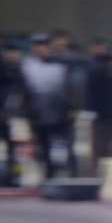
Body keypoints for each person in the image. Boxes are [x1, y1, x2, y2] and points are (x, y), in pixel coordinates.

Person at [21, 32, 78, 179]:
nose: (41, 49)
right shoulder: (27, 65)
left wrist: (72, 109)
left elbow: (73, 88)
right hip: (38, 113)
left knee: (66, 147)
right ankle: (49, 177)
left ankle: (73, 178)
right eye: (37, 46)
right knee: (43, 147)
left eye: (44, 46)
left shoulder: (63, 63)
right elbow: (25, 91)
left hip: (60, 111)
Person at [0, 40, 25, 186]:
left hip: (17, 115)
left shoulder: (21, 70)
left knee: (15, 149)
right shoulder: (3, 70)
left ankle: (14, 175)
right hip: (4, 114)